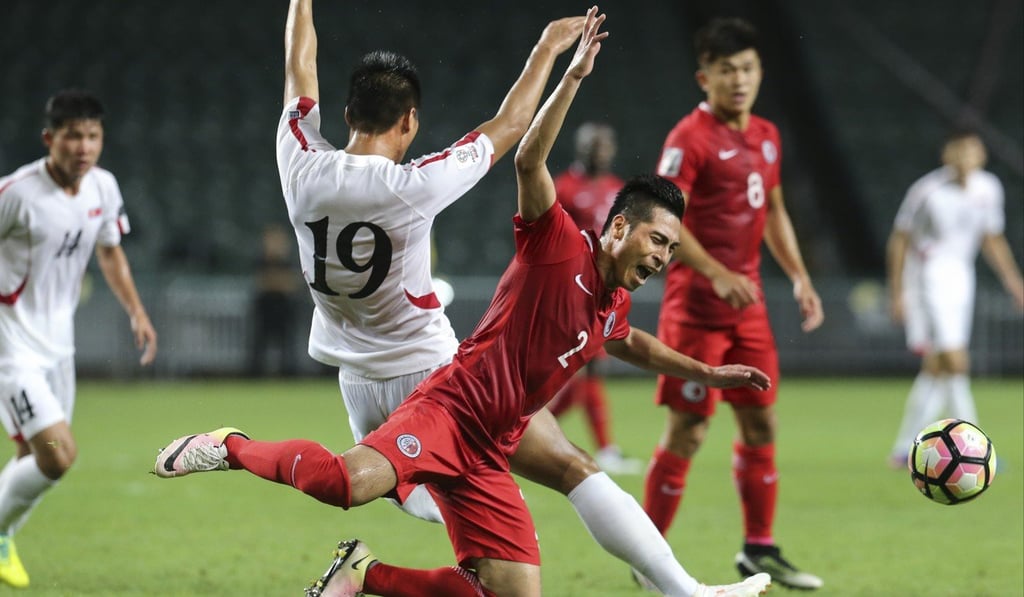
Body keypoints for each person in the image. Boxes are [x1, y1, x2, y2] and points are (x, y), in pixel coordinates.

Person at [154, 8, 773, 597]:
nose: (663, 255)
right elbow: (512, 131)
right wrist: (549, 52)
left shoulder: (299, 161)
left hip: (356, 382)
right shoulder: (415, 186)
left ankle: (367, 570)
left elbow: (299, 66)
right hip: (436, 381)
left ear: (347, 113)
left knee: (513, 561)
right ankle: (236, 448)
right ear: (410, 123)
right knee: (532, 472)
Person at [642, 17, 825, 591]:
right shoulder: (687, 139)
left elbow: (772, 210)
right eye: (727, 71)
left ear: (760, 72)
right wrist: (716, 271)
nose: (739, 80)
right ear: (706, 77)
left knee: (760, 420)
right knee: (689, 432)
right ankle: (648, 556)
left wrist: (798, 276)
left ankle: (759, 550)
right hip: (696, 306)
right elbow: (665, 219)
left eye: (747, 68)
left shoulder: (767, 134)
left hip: (748, 305)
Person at [0, 89, 158, 588]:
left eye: (92, 136)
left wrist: (136, 310)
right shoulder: (17, 194)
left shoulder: (103, 188)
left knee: (35, 460)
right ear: (50, 139)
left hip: (57, 349)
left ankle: (3, 540)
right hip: (11, 348)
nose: (83, 147)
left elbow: (110, 252)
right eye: (73, 136)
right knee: (57, 454)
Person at [887, 131, 1024, 466]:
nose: (965, 157)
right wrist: (897, 292)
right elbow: (900, 240)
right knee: (955, 359)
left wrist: (1014, 282)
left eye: (971, 151)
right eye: (958, 150)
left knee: (937, 366)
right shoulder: (927, 191)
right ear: (946, 155)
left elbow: (992, 238)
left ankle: (905, 447)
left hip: (961, 276)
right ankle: (974, 445)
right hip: (927, 277)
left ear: (981, 156)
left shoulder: (988, 188)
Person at [548, 121, 643, 474]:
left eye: (603, 147)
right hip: (573, 289)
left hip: (607, 292)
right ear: (580, 148)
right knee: (586, 368)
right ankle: (605, 448)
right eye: (592, 146)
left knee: (587, 370)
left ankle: (530, 429)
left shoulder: (618, 190)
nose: (597, 152)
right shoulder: (563, 187)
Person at [247, 224, 302, 377]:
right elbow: (261, 282)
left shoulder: (288, 261)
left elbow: (293, 283)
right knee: (258, 345)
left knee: (287, 346)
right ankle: (254, 376)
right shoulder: (260, 259)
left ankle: (289, 375)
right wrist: (280, 282)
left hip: (283, 308)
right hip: (265, 307)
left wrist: (275, 281)